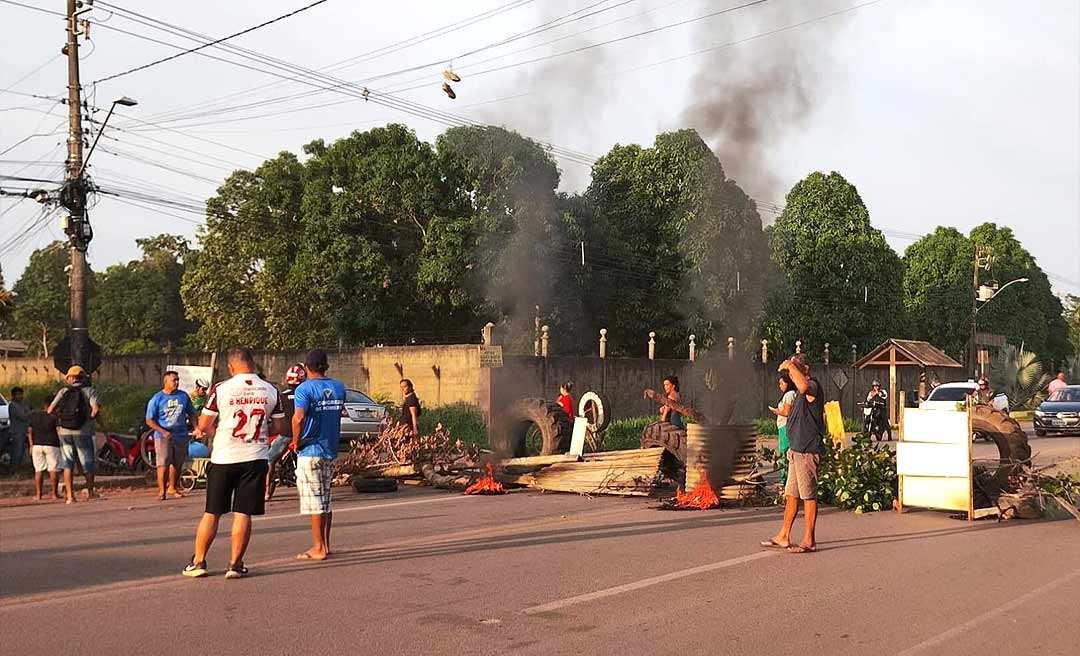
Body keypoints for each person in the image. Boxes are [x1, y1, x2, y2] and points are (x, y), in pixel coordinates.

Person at [182, 348, 284, 579]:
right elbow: (279, 428)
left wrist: (218, 433)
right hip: (255, 456)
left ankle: (198, 562)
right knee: (243, 512)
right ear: (253, 364)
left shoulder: (221, 389)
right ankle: (235, 564)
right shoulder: (270, 390)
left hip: (224, 457)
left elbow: (205, 423)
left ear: (231, 367)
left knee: (212, 512)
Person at [762, 353, 825, 554]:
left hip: (808, 450)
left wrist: (790, 364)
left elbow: (805, 386)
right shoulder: (797, 393)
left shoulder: (812, 386)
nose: (791, 372)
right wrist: (791, 446)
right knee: (791, 494)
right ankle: (783, 535)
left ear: (806, 369)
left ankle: (809, 540)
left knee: (808, 495)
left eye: (796, 368)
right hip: (796, 449)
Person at [291, 349, 345, 561]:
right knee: (326, 500)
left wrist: (296, 441)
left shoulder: (304, 389)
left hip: (310, 449)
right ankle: (326, 544)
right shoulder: (339, 387)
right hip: (330, 448)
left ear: (306, 367)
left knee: (315, 501)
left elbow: (298, 418)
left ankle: (318, 547)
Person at [48, 366, 100, 500]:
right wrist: (90, 418)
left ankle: (70, 496)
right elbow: (95, 409)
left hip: (64, 433)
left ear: (70, 378)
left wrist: (60, 422)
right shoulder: (89, 391)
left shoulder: (63, 392)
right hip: (83, 432)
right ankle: (90, 492)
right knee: (87, 463)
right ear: (83, 378)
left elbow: (50, 410)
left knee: (67, 464)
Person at [145, 371, 197, 500]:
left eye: (178, 380)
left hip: (181, 435)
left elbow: (191, 413)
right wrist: (163, 431)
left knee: (177, 463)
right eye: (174, 380)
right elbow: (149, 420)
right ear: (166, 382)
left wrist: (196, 428)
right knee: (163, 463)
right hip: (163, 436)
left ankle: (172, 487)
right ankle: (161, 491)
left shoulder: (183, 396)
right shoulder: (157, 398)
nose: (177, 382)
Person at [266, 364, 305, 501]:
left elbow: (274, 415)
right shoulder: (307, 395)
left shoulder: (282, 396)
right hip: (305, 433)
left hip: (286, 434)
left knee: (270, 459)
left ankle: (266, 491)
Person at [28, 400, 69, 501]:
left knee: (38, 470)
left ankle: (38, 495)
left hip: (37, 445)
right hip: (52, 445)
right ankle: (54, 494)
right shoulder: (55, 417)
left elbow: (29, 431)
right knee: (53, 469)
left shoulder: (35, 416)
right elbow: (58, 431)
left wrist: (31, 444)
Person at [768, 373, 797, 484]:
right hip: (784, 426)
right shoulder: (790, 394)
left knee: (785, 452)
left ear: (788, 383)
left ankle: (784, 479)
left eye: (781, 383)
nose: (780, 386)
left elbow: (786, 412)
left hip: (785, 426)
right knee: (785, 452)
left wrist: (776, 411)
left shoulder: (789, 394)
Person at [6, 387, 31, 470]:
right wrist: (29, 413)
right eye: (18, 394)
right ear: (13, 396)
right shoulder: (12, 405)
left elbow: (28, 413)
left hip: (24, 431)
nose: (20, 396)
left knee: (22, 451)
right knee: (17, 451)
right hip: (16, 432)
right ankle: (13, 469)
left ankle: (18, 468)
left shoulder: (23, 404)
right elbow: (23, 416)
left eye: (21, 394)